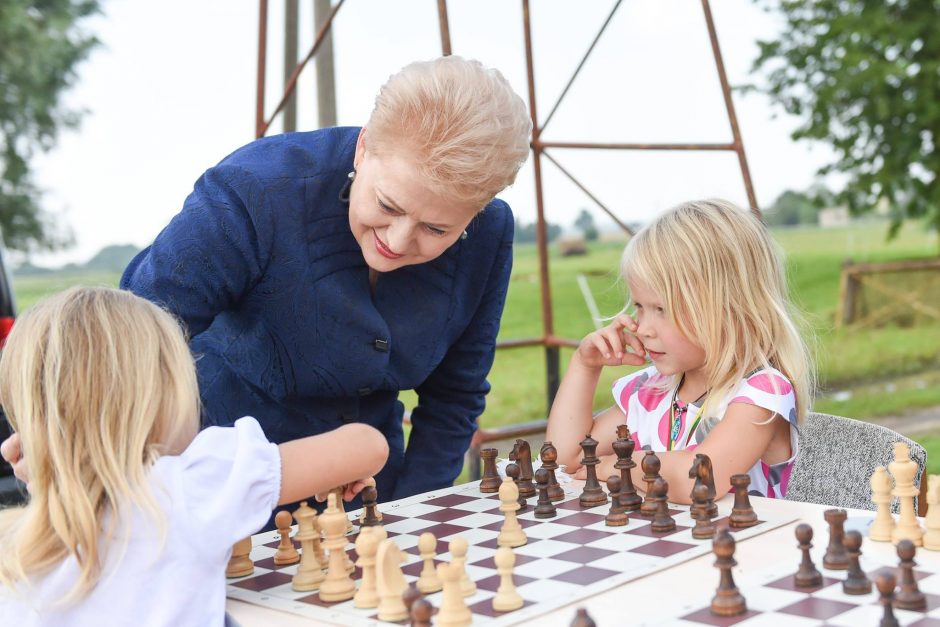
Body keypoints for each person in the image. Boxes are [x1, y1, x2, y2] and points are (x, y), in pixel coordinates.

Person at [1, 56, 532, 503]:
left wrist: (413, 513)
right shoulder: (254, 192)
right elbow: (132, 332)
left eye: (436, 228)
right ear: (364, 148)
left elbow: (455, 397)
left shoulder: (490, 234)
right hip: (220, 488)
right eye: (387, 204)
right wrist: (67, 425)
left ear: (479, 210)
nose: (397, 238)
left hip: (369, 488)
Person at [0, 287, 388, 625]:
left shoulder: (15, 542)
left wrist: (51, 465)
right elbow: (369, 445)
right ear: (163, 398)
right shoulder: (189, 488)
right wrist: (336, 470)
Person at [546, 199, 814, 501]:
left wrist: (615, 466)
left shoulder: (761, 393)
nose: (644, 327)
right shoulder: (651, 391)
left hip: (742, 545)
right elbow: (564, 459)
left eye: (661, 309)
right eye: (639, 307)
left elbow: (699, 480)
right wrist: (584, 367)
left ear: (727, 307)